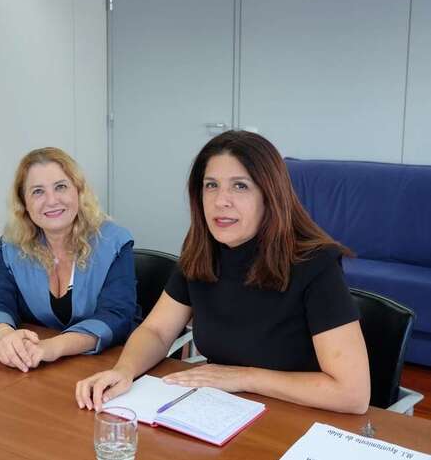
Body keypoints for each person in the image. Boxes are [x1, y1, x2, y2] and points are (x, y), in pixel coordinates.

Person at [76, 131, 370, 414]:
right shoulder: (202, 250)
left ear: (270, 195)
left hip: (294, 417)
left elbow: (352, 393)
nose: (220, 201)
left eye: (240, 186)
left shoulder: (315, 264)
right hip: (220, 412)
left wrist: (244, 378)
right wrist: (124, 371)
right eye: (211, 185)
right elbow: (157, 330)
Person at [0, 147, 138, 372]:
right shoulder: (13, 244)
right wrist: (5, 337)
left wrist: (51, 347)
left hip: (105, 367)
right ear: (24, 202)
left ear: (78, 192)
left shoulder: (114, 241)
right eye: (38, 191)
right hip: (34, 370)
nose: (51, 201)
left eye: (60, 187)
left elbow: (116, 315)